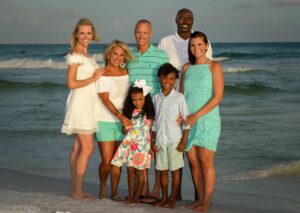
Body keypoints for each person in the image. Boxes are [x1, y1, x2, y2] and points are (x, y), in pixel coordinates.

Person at [156, 8, 213, 201]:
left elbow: (207, 70)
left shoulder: (201, 41)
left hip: (197, 104)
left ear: (193, 20)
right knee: (176, 147)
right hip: (175, 101)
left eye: (189, 17)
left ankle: (200, 195)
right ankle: (175, 193)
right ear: (176, 20)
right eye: (181, 17)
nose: (185, 20)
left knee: (192, 150)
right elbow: (161, 70)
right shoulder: (165, 41)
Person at [180, 31, 224, 212]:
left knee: (206, 162)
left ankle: (206, 201)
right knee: (193, 162)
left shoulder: (214, 67)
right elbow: (181, 96)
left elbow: (217, 97)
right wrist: (180, 115)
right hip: (188, 121)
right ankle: (199, 199)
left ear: (207, 45)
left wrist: (196, 115)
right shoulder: (186, 68)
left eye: (199, 44)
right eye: (192, 45)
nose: (196, 48)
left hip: (207, 120)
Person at [61, 18, 103, 199]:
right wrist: (94, 78)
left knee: (78, 147)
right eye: (82, 33)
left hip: (89, 103)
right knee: (87, 148)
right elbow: (70, 83)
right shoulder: (75, 55)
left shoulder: (88, 56)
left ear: (92, 34)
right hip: (80, 103)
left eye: (88, 33)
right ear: (76, 35)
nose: (86, 36)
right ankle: (77, 190)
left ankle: (76, 189)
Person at [127, 19, 169, 199]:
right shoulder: (128, 56)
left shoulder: (161, 56)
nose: (141, 36)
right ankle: (142, 187)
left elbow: (167, 83)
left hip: (156, 109)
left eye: (145, 33)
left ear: (151, 34)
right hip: (136, 112)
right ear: (134, 33)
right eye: (138, 32)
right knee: (140, 149)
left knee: (156, 149)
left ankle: (156, 188)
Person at [94, 39, 133, 201]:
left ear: (125, 58)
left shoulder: (127, 74)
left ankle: (114, 192)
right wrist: (122, 117)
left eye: (121, 55)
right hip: (104, 121)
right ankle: (103, 187)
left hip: (123, 122)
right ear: (108, 54)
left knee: (117, 161)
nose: (118, 57)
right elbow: (105, 100)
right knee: (106, 161)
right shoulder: (101, 74)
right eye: (115, 53)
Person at [151, 63, 190, 209]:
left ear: (175, 80)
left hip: (175, 140)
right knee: (161, 170)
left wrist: (183, 142)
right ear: (159, 78)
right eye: (165, 78)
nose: (168, 81)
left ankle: (173, 198)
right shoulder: (156, 98)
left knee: (175, 171)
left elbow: (187, 121)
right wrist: (153, 141)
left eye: (171, 79)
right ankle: (164, 197)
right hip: (161, 140)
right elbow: (154, 122)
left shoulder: (179, 98)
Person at [111, 80, 155, 204]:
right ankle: (131, 196)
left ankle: (137, 196)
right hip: (130, 144)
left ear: (145, 98)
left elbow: (151, 130)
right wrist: (124, 129)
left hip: (142, 146)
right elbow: (124, 130)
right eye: (134, 100)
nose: (137, 102)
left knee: (140, 172)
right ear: (131, 100)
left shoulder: (149, 113)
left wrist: (151, 146)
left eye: (140, 99)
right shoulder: (129, 113)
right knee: (130, 171)